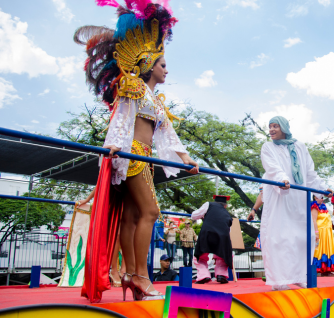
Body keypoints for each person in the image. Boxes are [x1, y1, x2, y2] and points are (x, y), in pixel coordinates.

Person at [77, 0, 199, 303]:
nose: (167, 70)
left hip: (143, 155)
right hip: (131, 154)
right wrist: (113, 147)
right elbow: (121, 117)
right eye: (163, 65)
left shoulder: (156, 100)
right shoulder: (132, 86)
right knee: (151, 212)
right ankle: (141, 276)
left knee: (131, 217)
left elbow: (168, 134)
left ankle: (132, 276)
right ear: (148, 65)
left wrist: (186, 159)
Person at [260, 116, 333, 291]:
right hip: (280, 196)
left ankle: (300, 276)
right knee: (278, 237)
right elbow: (272, 167)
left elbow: (310, 172)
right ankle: (278, 281)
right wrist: (282, 179)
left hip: (299, 198)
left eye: (275, 126)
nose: (271, 130)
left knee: (301, 237)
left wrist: (322, 189)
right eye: (270, 127)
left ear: (284, 127)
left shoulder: (300, 146)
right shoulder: (268, 147)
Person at [192, 195, 234, 284]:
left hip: (208, 233)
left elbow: (194, 216)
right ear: (225, 205)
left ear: (214, 202)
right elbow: (228, 230)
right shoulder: (227, 214)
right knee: (222, 256)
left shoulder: (208, 204)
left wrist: (204, 215)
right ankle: (221, 274)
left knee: (200, 256)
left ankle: (203, 275)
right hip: (223, 237)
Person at [312, 194, 334, 276]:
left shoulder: (324, 206)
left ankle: (326, 270)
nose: (322, 199)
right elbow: (313, 220)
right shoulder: (314, 206)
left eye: (323, 198)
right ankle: (319, 270)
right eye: (321, 198)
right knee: (319, 250)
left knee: (327, 249)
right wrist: (316, 233)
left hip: (327, 232)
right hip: (320, 231)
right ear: (316, 197)